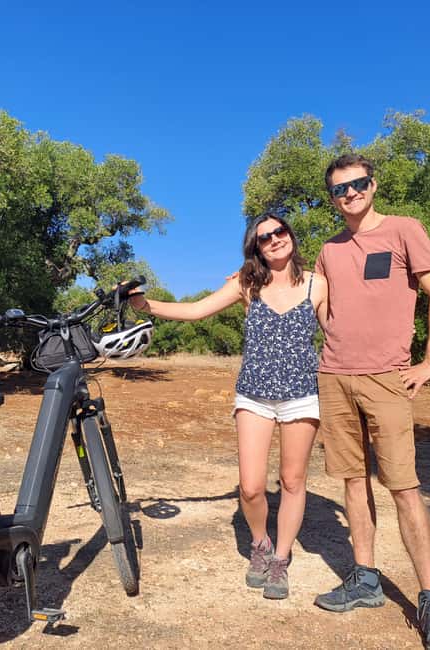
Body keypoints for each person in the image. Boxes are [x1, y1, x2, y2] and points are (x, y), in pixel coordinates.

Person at [129, 214, 327, 600]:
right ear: (256, 247)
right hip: (253, 394)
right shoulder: (246, 284)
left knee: (292, 481)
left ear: (290, 234)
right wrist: (145, 304)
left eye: (279, 232)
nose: (273, 240)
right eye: (263, 237)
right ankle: (260, 545)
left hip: (302, 394)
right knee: (252, 487)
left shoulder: (318, 285)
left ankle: (281, 560)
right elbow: (196, 310)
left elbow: (338, 333)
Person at [312, 153, 430, 650]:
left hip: (387, 378)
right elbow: (315, 303)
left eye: (357, 185)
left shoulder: (403, 230)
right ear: (332, 198)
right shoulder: (329, 250)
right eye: (339, 189)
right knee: (354, 482)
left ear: (373, 185)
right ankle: (366, 579)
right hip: (334, 377)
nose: (349, 194)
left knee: (403, 486)